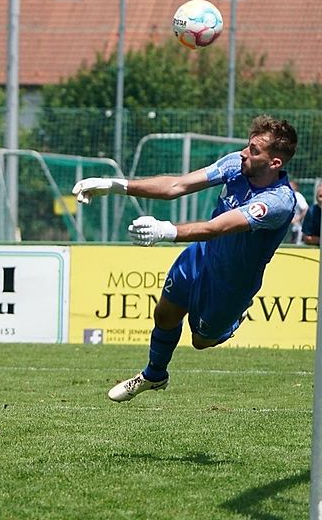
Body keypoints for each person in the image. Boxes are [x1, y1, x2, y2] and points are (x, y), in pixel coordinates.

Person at [72, 114, 297, 402]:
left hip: (232, 283)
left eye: (253, 150)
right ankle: (154, 375)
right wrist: (115, 185)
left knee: (201, 341)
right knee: (164, 314)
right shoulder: (235, 166)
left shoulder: (277, 201)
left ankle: (231, 322)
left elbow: (215, 229)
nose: (244, 152)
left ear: (274, 163)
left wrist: (166, 231)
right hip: (201, 256)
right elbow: (176, 186)